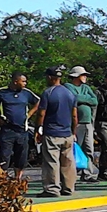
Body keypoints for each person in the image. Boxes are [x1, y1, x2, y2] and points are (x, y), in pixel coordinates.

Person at [34, 66, 78, 198]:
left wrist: (38, 129)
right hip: (67, 133)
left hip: (52, 133)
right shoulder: (70, 93)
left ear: (49, 77)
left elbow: (41, 113)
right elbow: (74, 115)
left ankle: (52, 189)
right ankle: (68, 187)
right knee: (68, 162)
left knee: (51, 162)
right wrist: (73, 131)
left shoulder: (48, 93)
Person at [0, 71, 39, 180]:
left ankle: (17, 179)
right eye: (23, 81)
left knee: (21, 157)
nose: (25, 83)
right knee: (4, 156)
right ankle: (1, 179)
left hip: (22, 130)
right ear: (15, 82)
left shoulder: (26, 93)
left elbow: (39, 102)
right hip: (7, 129)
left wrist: (29, 114)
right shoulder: (1, 92)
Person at [65, 66, 99, 183]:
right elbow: (73, 98)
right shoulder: (68, 87)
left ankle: (87, 174)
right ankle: (72, 174)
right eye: (83, 75)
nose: (85, 77)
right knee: (74, 149)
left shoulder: (86, 87)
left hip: (88, 123)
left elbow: (95, 101)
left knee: (89, 148)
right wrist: (86, 99)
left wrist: (82, 99)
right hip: (76, 124)